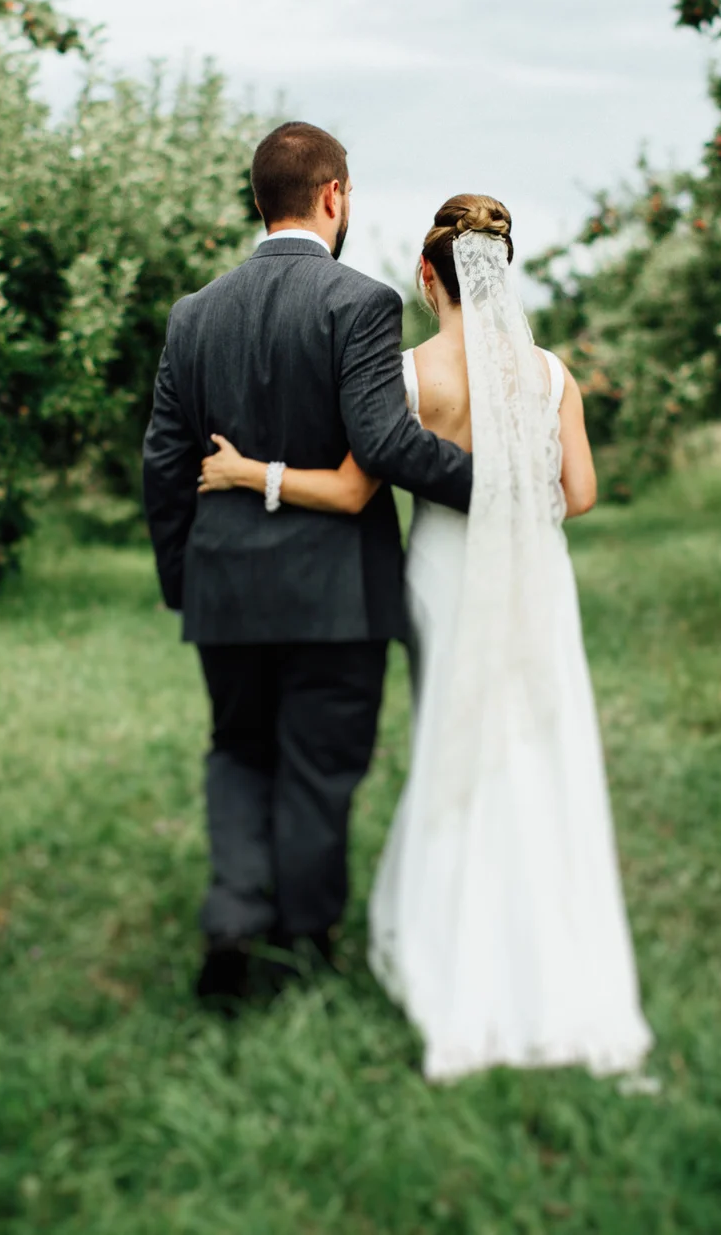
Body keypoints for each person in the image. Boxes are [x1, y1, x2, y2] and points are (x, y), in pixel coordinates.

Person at [194, 194, 653, 1082]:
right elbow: (582, 494)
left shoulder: (408, 375)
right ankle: (548, 929)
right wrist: (517, 502)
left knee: (455, 736)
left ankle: (454, 935)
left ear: (425, 278)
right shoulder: (552, 373)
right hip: (536, 574)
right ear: (501, 273)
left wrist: (248, 471)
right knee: (536, 742)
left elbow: (350, 491)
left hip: (445, 574)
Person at [140, 123, 475, 1010]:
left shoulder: (193, 314)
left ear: (262, 201)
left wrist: (186, 580)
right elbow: (386, 444)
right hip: (336, 593)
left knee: (239, 752)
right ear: (334, 196)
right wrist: (503, 487)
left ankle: (232, 927)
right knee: (321, 765)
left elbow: (164, 462)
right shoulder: (360, 303)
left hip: (226, 588)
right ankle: (304, 940)